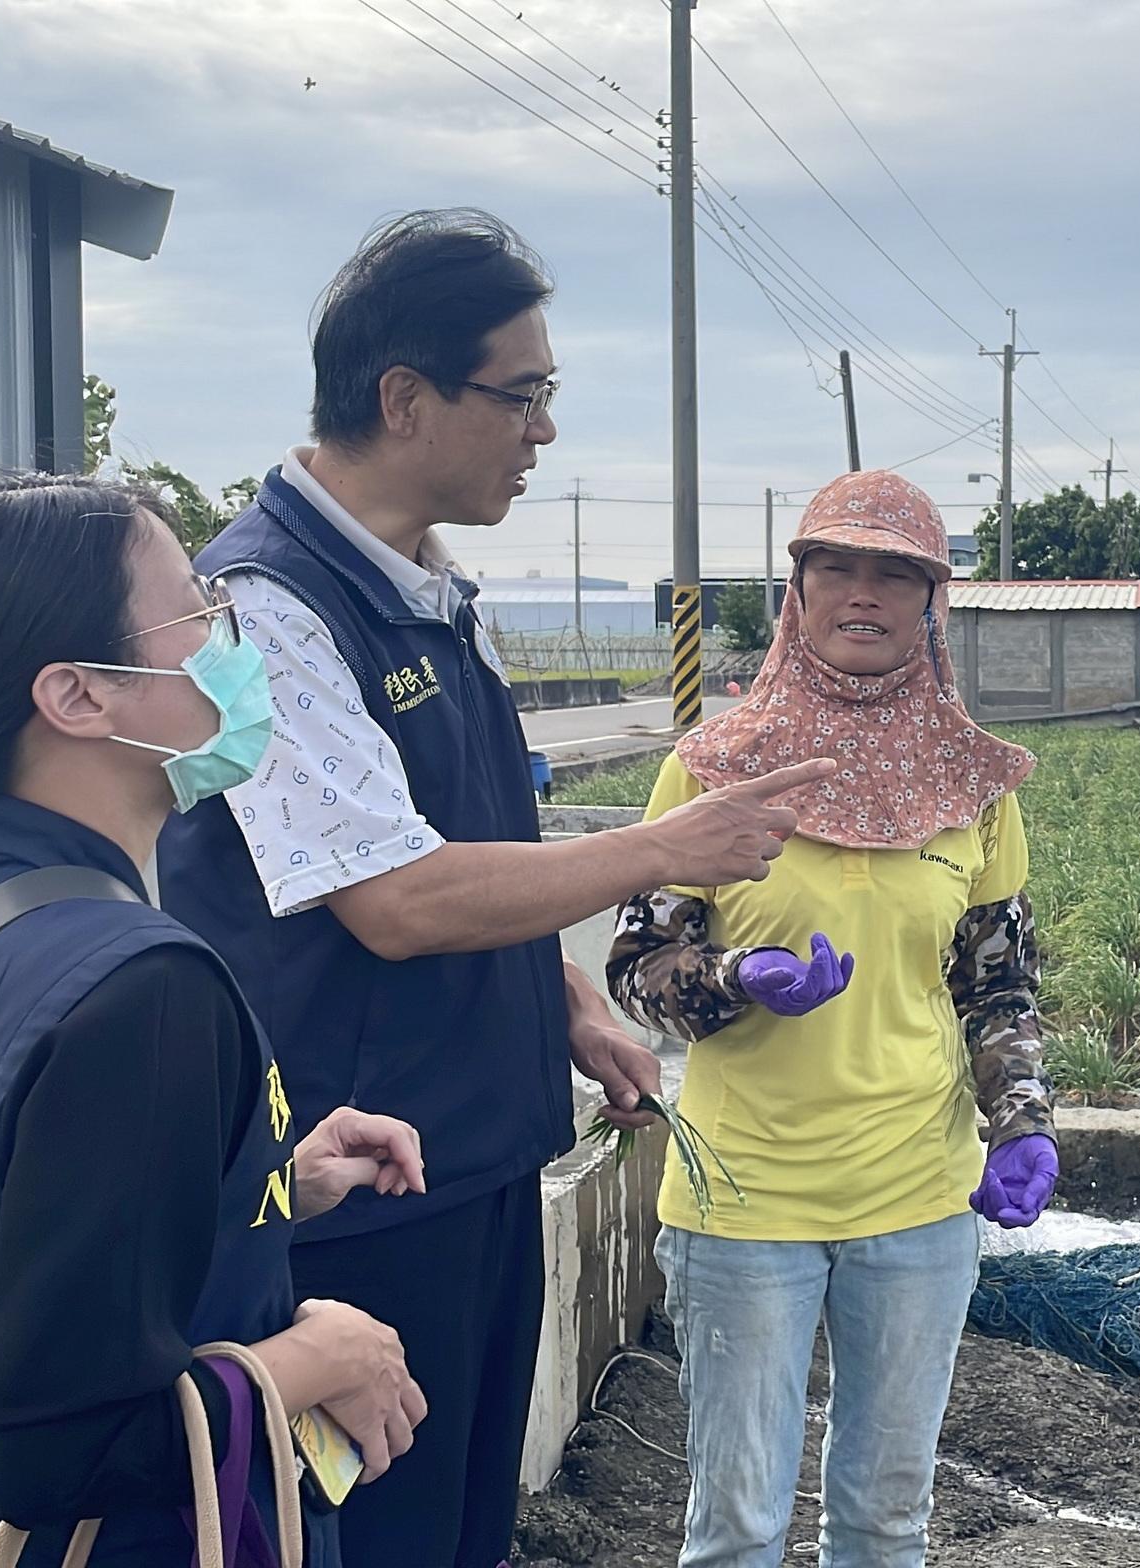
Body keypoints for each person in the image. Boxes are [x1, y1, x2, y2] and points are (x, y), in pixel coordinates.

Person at [158, 208, 836, 1567]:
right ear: (403, 399)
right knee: (362, 1537)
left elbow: (461, 843)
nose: (543, 433)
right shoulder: (264, 611)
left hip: (469, 1167)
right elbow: (396, 899)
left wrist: (566, 1000)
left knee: (464, 1530)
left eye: (549, 397)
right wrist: (662, 850)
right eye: (520, 397)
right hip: (346, 1196)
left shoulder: (430, 593)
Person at [0, 474, 430, 1568]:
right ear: (77, 696)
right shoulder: (141, 988)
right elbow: (67, 1448)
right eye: (194, 612)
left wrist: (252, 1179)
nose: (230, 639)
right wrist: (321, 1355)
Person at [606, 470, 1061, 1568]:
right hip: (745, 1199)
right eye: (838, 569)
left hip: (917, 1191)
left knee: (883, 1518)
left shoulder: (975, 787)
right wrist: (732, 979)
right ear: (796, 596)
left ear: (929, 604)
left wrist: (1026, 1121)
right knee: (736, 1524)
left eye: (894, 574)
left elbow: (996, 984)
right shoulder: (712, 769)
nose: (865, 594)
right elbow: (636, 963)